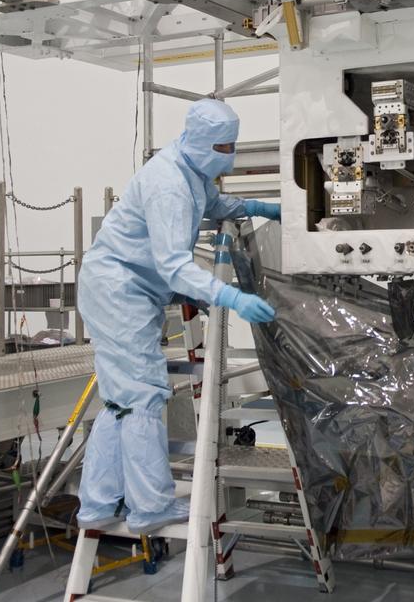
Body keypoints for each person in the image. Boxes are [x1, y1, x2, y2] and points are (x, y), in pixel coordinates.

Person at [75, 98, 282, 532]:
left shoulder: (191, 170)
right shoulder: (168, 183)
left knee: (120, 400)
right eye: (223, 148)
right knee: (143, 396)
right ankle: (150, 507)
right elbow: (173, 265)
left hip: (129, 290)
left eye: (233, 146)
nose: (230, 156)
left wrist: (258, 207)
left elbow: (214, 205)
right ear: (202, 141)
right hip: (119, 291)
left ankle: (97, 503)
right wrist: (230, 297)